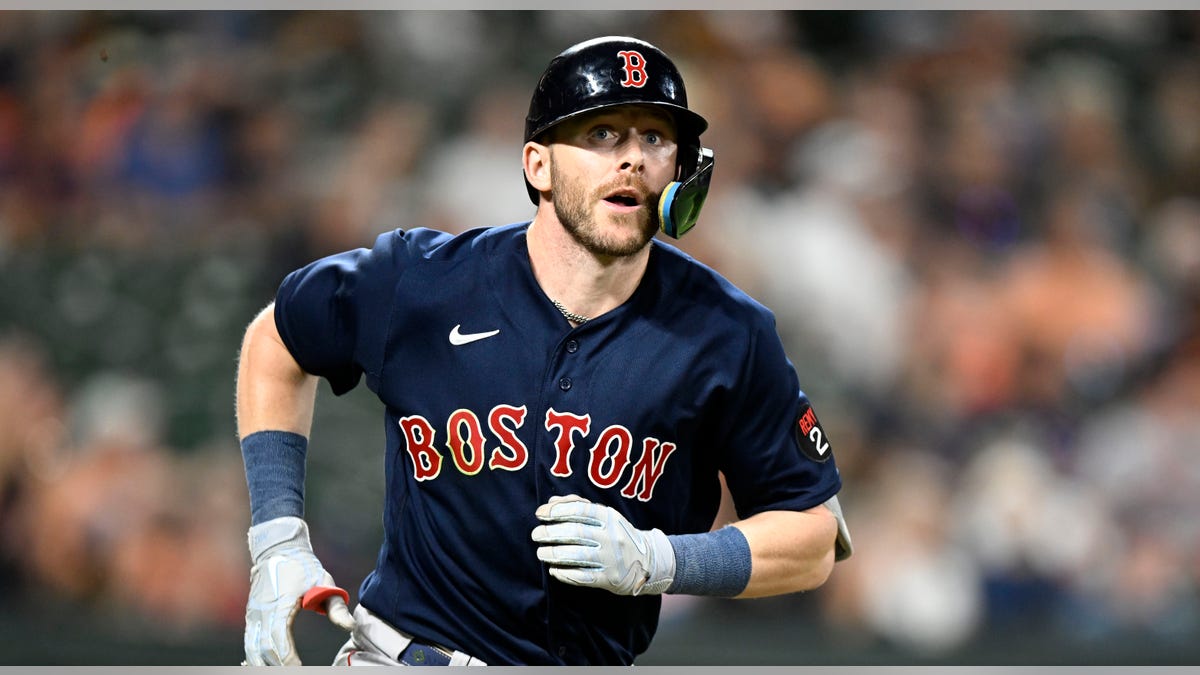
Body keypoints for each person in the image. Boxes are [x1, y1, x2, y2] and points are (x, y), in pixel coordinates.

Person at [235, 35, 853, 667]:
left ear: (684, 170)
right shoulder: (423, 281)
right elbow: (276, 338)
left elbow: (812, 536)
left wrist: (662, 560)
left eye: (655, 138)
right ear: (538, 165)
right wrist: (278, 539)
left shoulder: (727, 332)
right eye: (603, 135)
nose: (633, 159)